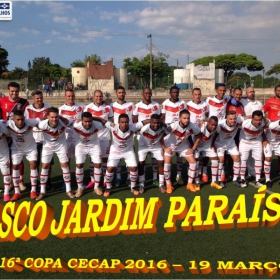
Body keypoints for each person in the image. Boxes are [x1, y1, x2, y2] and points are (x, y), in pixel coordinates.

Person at [103, 114, 150, 197]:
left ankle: (133, 187)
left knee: (134, 167)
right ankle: (108, 187)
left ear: (129, 122)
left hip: (128, 151)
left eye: (126, 122)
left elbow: (144, 121)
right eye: (122, 122)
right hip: (115, 151)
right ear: (118, 122)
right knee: (110, 168)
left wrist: (155, 121)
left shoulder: (133, 127)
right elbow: (103, 121)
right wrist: (93, 118)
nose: (124, 124)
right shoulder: (113, 127)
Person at [36, 107, 75, 200]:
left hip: (61, 146)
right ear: (48, 117)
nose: (54, 119)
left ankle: (68, 190)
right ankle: (42, 192)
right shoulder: (42, 125)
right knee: (45, 166)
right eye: (52, 117)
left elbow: (73, 121)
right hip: (47, 146)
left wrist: (63, 119)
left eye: (56, 117)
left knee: (65, 165)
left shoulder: (64, 122)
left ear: (59, 116)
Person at [161, 109, 201, 194]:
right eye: (184, 118)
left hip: (183, 146)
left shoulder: (193, 126)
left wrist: (193, 148)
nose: (186, 120)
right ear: (180, 118)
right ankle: (168, 185)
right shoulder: (173, 126)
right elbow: (161, 136)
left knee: (193, 162)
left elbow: (199, 136)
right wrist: (165, 148)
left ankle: (189, 184)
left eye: (188, 118)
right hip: (170, 146)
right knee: (167, 163)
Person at [0, 82, 29, 191]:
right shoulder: (1, 101)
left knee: (19, 158)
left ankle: (20, 181)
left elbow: (27, 117)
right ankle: (9, 182)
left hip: (17, 134)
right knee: (6, 160)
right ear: (8, 91)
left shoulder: (23, 102)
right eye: (12, 91)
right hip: (5, 135)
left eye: (16, 91)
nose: (14, 93)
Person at [5, 110, 40, 201]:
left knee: (33, 164)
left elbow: (40, 120)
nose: (20, 122)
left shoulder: (30, 122)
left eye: (22, 119)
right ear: (13, 119)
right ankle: (17, 192)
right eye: (18, 120)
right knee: (15, 166)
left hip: (30, 148)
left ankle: (33, 190)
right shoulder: (9, 124)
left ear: (24, 118)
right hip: (17, 149)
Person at [84, 90, 113, 188]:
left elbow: (112, 120)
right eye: (97, 96)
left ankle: (105, 179)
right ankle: (93, 180)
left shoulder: (108, 107)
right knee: (93, 160)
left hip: (105, 137)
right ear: (93, 97)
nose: (99, 98)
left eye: (100, 96)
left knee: (105, 159)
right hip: (93, 137)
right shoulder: (88, 108)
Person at [73, 112, 107, 197]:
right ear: (82, 121)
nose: (88, 123)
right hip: (81, 146)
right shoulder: (76, 125)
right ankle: (80, 188)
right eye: (85, 121)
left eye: (89, 121)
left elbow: (104, 122)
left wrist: (97, 118)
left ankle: (96, 187)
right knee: (79, 165)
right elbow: (66, 122)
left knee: (98, 164)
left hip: (94, 145)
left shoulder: (97, 124)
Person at [24, 90, 53, 189]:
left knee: (48, 162)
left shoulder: (48, 107)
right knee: (34, 162)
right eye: (37, 98)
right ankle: (35, 182)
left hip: (46, 139)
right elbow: (26, 123)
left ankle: (47, 182)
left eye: (41, 97)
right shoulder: (28, 109)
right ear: (33, 99)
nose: (39, 100)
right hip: (33, 139)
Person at [133, 87, 161, 186]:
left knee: (154, 158)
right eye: (146, 93)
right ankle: (142, 180)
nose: (148, 95)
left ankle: (154, 178)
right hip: (142, 135)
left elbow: (159, 119)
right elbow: (135, 121)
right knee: (142, 160)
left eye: (149, 93)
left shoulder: (156, 105)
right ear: (142, 94)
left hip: (154, 135)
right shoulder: (137, 106)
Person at [58, 89, 85, 189]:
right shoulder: (60, 109)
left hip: (78, 138)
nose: (71, 98)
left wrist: (81, 120)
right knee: (66, 161)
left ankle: (80, 182)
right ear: (65, 97)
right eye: (69, 96)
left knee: (79, 161)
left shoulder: (81, 107)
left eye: (72, 96)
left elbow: (87, 118)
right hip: (66, 138)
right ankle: (66, 182)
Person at [161, 86, 187, 184]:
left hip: (180, 130)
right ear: (170, 93)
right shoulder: (165, 103)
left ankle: (178, 175)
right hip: (169, 130)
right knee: (168, 154)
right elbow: (163, 116)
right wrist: (164, 126)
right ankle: (168, 176)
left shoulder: (183, 103)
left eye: (177, 92)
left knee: (179, 154)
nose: (175, 94)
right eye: (173, 92)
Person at [110, 86, 134, 186]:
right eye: (119, 92)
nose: (121, 94)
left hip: (129, 133)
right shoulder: (112, 105)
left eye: (123, 92)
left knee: (130, 154)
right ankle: (118, 177)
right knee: (117, 155)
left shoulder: (131, 105)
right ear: (116, 94)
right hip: (116, 133)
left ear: (125, 93)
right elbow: (111, 118)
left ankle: (129, 177)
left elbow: (134, 117)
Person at [239, 110, 268, 188]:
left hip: (256, 141)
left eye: (259, 120)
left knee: (258, 159)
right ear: (251, 118)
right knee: (243, 159)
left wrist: (264, 139)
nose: (258, 122)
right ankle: (242, 179)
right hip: (245, 142)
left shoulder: (263, 123)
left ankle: (258, 180)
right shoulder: (245, 123)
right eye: (255, 120)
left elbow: (264, 130)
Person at [138, 114, 166, 193]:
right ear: (150, 122)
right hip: (144, 146)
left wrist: (164, 124)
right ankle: (141, 183)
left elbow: (169, 128)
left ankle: (161, 184)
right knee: (141, 163)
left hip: (156, 146)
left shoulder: (163, 128)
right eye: (154, 123)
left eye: (158, 123)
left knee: (161, 162)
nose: (156, 125)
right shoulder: (144, 129)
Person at [215, 111, 242, 188]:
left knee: (237, 158)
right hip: (220, 144)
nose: (233, 120)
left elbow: (247, 118)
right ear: (226, 118)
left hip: (231, 143)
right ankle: (219, 179)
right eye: (230, 119)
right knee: (221, 160)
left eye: (234, 119)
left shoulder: (238, 121)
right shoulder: (220, 124)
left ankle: (235, 179)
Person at [240, 87, 263, 177]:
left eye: (253, 91)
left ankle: (252, 171)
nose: (252, 93)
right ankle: (241, 172)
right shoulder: (243, 101)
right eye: (250, 92)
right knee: (244, 155)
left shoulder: (259, 103)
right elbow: (233, 97)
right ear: (246, 93)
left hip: (256, 131)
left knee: (254, 156)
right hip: (245, 129)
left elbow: (262, 115)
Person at [195, 116, 222, 190]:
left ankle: (213, 181)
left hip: (207, 146)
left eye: (215, 125)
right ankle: (197, 181)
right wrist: (193, 147)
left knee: (215, 159)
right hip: (198, 145)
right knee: (195, 160)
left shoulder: (218, 128)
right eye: (212, 125)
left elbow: (216, 135)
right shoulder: (201, 127)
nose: (214, 126)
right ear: (208, 123)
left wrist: (212, 144)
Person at [263, 85, 280, 175]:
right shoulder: (270, 101)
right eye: (278, 90)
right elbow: (263, 111)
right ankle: (264, 168)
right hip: (271, 128)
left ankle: (279, 169)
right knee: (267, 150)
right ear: (275, 91)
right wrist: (265, 120)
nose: (279, 92)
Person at [0, 121, 12, 202]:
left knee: (6, 172)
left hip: (3, 154)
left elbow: (10, 132)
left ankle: (6, 193)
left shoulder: (2, 124)